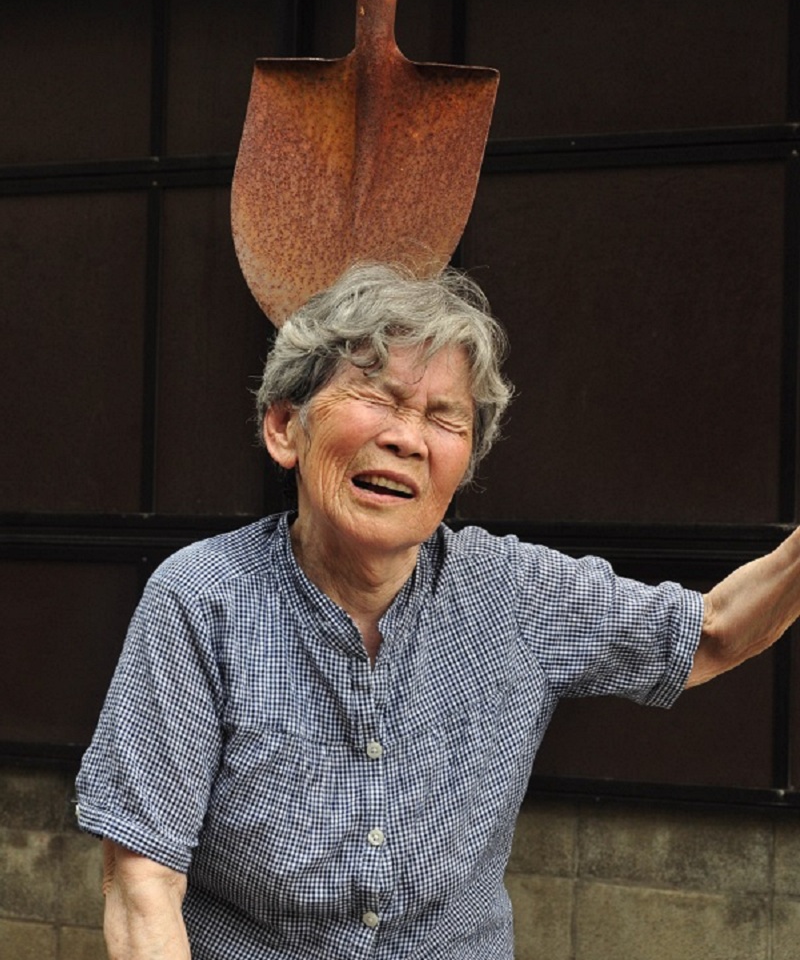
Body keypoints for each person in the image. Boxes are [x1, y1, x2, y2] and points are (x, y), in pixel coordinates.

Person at [76, 262, 800, 960]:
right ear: (284, 428)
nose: (407, 438)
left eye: (442, 417)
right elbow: (143, 883)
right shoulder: (202, 599)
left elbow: (711, 632)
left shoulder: (513, 592)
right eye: (379, 398)